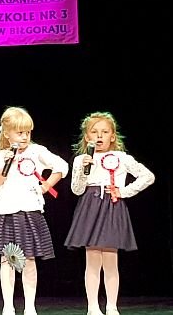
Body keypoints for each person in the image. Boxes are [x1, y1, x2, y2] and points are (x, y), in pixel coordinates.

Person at [63, 111, 155, 315]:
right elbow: (76, 190)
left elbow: (147, 176)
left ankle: (112, 306)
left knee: (111, 259)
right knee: (92, 258)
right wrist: (83, 171)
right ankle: (93, 307)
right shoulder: (81, 160)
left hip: (112, 205)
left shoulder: (122, 158)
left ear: (112, 136)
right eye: (94, 132)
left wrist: (124, 191)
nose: (99, 136)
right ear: (87, 136)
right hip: (90, 206)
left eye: (104, 132)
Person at [0, 106, 68, 315]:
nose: (25, 137)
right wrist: (7, 164)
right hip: (6, 212)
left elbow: (62, 166)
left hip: (30, 212)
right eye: (20, 132)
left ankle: (30, 306)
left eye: (28, 132)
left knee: (29, 260)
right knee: (7, 260)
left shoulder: (37, 151)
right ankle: (8, 306)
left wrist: (46, 186)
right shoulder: (0, 156)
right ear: (7, 133)